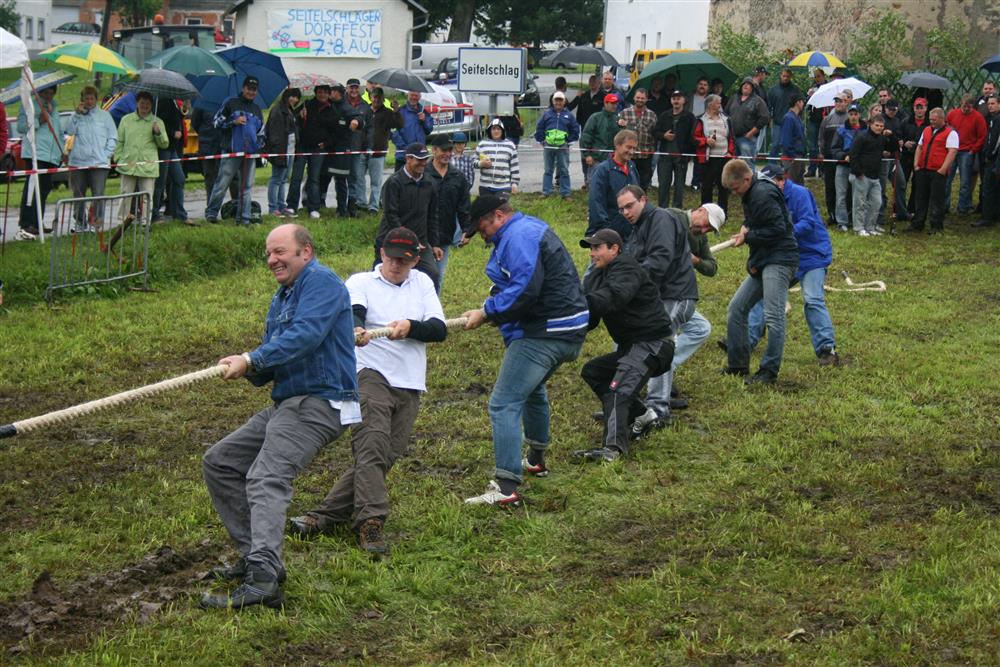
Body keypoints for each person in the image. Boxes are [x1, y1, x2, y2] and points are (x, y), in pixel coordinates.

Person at [200, 224, 359, 610]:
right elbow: (275, 358)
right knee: (221, 461)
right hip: (289, 402)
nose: (272, 260)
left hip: (320, 401)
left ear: (306, 251)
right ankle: (257, 556)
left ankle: (263, 581)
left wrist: (253, 358)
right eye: (269, 254)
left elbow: (305, 336)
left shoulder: (321, 283)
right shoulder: (282, 297)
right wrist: (247, 366)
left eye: (280, 252)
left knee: (266, 476)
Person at [288, 227, 447, 555]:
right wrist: (357, 329)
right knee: (372, 445)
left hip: (410, 381)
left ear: (416, 259)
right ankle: (370, 523)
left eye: (404, 260)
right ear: (382, 253)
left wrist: (411, 327)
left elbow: (439, 329)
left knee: (384, 455)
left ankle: (324, 516)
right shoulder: (360, 282)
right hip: (368, 373)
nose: (396, 265)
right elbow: (353, 314)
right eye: (391, 257)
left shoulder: (423, 283)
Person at [461, 195, 588, 506]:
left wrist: (488, 311)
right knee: (532, 389)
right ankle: (536, 460)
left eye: (482, 229)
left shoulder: (518, 236)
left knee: (503, 403)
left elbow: (525, 289)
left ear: (497, 216)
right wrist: (493, 308)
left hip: (547, 331)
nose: (483, 237)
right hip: (568, 329)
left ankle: (505, 489)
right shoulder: (528, 228)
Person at [574, 228, 674, 462]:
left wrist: (581, 301)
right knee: (593, 372)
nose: (592, 253)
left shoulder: (627, 268)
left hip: (652, 343)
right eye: (590, 248)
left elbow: (615, 296)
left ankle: (613, 450)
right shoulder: (596, 276)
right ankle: (641, 415)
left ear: (615, 249)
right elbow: (590, 317)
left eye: (597, 247)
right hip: (631, 347)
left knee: (619, 391)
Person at [614, 184, 699, 433]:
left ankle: (658, 409)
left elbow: (660, 259)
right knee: (636, 342)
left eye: (629, 206)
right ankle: (628, 402)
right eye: (621, 209)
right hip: (659, 296)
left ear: (643, 200)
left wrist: (631, 283)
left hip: (676, 294)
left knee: (658, 344)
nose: (626, 212)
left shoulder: (660, 218)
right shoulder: (639, 226)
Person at [720, 159, 799, 385]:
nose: (735, 193)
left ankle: (768, 371)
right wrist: (746, 228)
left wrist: (749, 236)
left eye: (736, 188)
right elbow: (757, 220)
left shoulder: (763, 193)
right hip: (764, 259)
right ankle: (738, 365)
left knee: (773, 317)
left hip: (780, 259)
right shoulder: (751, 193)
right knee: (736, 308)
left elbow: (778, 229)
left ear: (747, 179)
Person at [751, 165, 838, 366]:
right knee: (762, 293)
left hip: (813, 255)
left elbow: (808, 222)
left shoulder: (800, 194)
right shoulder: (767, 199)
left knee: (813, 299)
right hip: (787, 255)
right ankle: (746, 339)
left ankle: (827, 349)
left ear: (781, 180)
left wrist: (782, 234)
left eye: (769, 183)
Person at [374, 142, 441, 290]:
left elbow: (433, 216)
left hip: (421, 244)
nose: (423, 163)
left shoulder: (430, 183)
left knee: (433, 274)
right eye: (419, 159)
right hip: (392, 241)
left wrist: (435, 244)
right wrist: (409, 240)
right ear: (408, 159)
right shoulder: (393, 182)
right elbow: (391, 215)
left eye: (425, 159)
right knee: (387, 279)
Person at [204, 76, 264, 226]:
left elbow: (262, 132)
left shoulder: (257, 109)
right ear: (243, 88)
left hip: (250, 154)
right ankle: (211, 213)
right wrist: (233, 121)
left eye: (254, 90)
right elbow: (216, 123)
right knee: (222, 184)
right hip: (231, 151)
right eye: (249, 89)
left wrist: (258, 146)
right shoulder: (230, 103)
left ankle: (244, 218)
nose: (251, 92)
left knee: (247, 187)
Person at [65, 85, 117, 233]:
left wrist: (106, 154)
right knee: (78, 194)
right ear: (82, 99)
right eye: (86, 98)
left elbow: (113, 137)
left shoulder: (105, 116)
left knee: (98, 194)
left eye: (92, 98)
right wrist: (77, 115)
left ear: (96, 99)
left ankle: (96, 223)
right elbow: (69, 132)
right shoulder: (75, 116)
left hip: (99, 163)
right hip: (78, 162)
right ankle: (80, 223)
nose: (89, 101)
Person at [113, 91, 168, 225]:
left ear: (151, 105)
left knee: (147, 196)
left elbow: (164, 144)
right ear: (137, 103)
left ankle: (145, 223)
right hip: (128, 163)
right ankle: (122, 222)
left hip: (148, 164)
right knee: (125, 194)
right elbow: (119, 141)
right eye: (142, 103)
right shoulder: (126, 120)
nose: (145, 106)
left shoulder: (158, 122)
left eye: (148, 103)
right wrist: (118, 158)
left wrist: (158, 133)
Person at [16, 85, 63, 239]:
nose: (48, 96)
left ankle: (37, 222)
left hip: (51, 156)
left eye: (51, 93)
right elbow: (21, 127)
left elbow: (58, 131)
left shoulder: (54, 107)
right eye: (45, 93)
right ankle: (26, 223)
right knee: (32, 189)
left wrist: (62, 151)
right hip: (35, 153)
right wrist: (38, 120)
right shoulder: (28, 105)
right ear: (39, 92)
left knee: (44, 189)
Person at [427, 134, 471, 291]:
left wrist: (467, 230)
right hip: (423, 235)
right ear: (434, 150)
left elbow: (464, 206)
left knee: (437, 276)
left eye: (449, 150)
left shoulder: (458, 177)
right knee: (420, 275)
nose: (447, 154)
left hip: (445, 234)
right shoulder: (423, 173)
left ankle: (434, 306)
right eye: (443, 150)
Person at [906, 108, 958, 235]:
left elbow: (952, 152)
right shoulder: (927, 130)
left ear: (942, 119)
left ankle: (936, 226)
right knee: (920, 197)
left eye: (934, 120)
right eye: (930, 120)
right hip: (923, 169)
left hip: (937, 171)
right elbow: (919, 147)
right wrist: (916, 165)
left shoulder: (951, 133)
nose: (932, 122)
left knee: (937, 199)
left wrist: (943, 169)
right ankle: (917, 223)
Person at [288, 84, 336, 219]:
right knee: (296, 177)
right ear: (316, 93)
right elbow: (292, 119)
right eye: (320, 92)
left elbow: (335, 132)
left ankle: (313, 207)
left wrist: (326, 143)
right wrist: (300, 116)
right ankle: (291, 206)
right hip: (302, 147)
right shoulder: (306, 104)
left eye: (325, 92)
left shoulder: (332, 109)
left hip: (318, 149)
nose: (322, 95)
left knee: (314, 179)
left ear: (328, 94)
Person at [586, 129, 639, 238]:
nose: (632, 152)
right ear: (617, 145)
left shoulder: (632, 168)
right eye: (628, 147)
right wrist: (606, 232)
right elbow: (596, 203)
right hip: (610, 232)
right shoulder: (603, 170)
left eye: (634, 148)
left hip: (630, 233)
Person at [693, 94, 735, 215]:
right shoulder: (701, 119)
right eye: (718, 103)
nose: (720, 105)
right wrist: (706, 141)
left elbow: (731, 138)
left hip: (724, 158)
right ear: (710, 104)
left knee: (723, 187)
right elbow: (694, 137)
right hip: (707, 159)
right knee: (707, 187)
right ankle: (706, 213)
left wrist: (730, 152)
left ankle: (722, 214)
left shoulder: (726, 119)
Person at [945, 95, 987, 214]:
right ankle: (944, 206)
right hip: (952, 149)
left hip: (967, 151)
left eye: (969, 107)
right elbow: (946, 127)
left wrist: (973, 150)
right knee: (947, 178)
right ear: (961, 103)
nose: (966, 109)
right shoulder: (952, 114)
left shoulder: (978, 117)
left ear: (973, 106)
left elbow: (982, 136)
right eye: (964, 106)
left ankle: (963, 207)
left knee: (965, 181)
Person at [534, 90, 580, 199]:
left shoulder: (569, 115)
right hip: (548, 146)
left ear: (564, 102)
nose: (558, 103)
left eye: (560, 100)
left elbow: (575, 130)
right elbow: (539, 128)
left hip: (563, 147)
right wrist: (542, 141)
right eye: (556, 100)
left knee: (564, 169)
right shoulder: (546, 114)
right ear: (553, 101)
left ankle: (566, 193)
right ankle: (546, 191)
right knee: (548, 170)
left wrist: (568, 141)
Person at [654, 89, 695, 208]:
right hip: (665, 156)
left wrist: (688, 153)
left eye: (678, 98)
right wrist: (664, 135)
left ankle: (677, 209)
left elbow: (693, 136)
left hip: (681, 157)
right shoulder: (664, 115)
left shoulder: (689, 117)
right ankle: (662, 209)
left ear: (684, 100)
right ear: (671, 100)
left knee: (679, 186)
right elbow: (655, 132)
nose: (676, 101)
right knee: (663, 184)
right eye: (674, 98)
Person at [191, 104, 239, 206]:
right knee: (210, 177)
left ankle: (237, 205)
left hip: (227, 144)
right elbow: (195, 123)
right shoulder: (202, 104)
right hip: (208, 145)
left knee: (234, 176)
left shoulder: (231, 103)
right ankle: (211, 207)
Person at [264, 88, 301, 218]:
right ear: (286, 96)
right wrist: (277, 152)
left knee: (284, 179)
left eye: (297, 97)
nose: (294, 99)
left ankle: (281, 206)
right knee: (276, 179)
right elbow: (274, 133)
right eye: (292, 96)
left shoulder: (290, 110)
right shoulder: (277, 110)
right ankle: (273, 208)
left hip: (290, 150)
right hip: (280, 151)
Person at [366, 88, 403, 213]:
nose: (377, 99)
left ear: (383, 99)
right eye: (375, 97)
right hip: (362, 151)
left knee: (376, 182)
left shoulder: (388, 113)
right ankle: (360, 203)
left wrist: (396, 111)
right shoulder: (365, 110)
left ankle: (373, 206)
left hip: (378, 152)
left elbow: (399, 124)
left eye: (379, 97)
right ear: (371, 97)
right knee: (358, 179)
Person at [848, 113, 885, 236]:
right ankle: (858, 228)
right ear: (870, 124)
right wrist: (858, 172)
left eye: (881, 126)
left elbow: (893, 147)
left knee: (877, 202)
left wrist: (892, 136)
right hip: (861, 176)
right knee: (860, 203)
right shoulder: (861, 137)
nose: (879, 128)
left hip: (875, 177)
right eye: (877, 125)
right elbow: (853, 155)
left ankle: (870, 227)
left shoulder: (881, 139)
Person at [152, 98, 188, 225]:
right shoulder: (164, 101)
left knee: (179, 179)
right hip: (164, 147)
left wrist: (183, 110)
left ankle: (179, 214)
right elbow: (159, 122)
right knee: (160, 182)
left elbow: (175, 119)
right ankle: (154, 214)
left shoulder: (173, 102)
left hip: (171, 148)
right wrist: (173, 133)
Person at [830, 104, 865, 231]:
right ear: (848, 115)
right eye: (851, 114)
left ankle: (857, 221)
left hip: (859, 166)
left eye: (855, 114)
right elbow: (834, 149)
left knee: (859, 195)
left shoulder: (865, 130)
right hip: (843, 165)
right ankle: (842, 222)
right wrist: (843, 156)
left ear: (859, 115)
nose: (853, 117)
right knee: (841, 194)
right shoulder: (841, 130)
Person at [818, 93, 851, 225]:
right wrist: (821, 152)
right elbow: (821, 137)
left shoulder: (850, 118)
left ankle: (846, 214)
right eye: (836, 101)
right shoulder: (827, 119)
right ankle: (832, 214)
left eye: (841, 101)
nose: (839, 104)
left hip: (845, 159)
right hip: (829, 158)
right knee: (830, 187)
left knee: (846, 188)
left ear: (847, 102)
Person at [620, 88, 659, 190]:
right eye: (638, 97)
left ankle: (642, 199)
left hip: (645, 155)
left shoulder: (652, 115)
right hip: (628, 155)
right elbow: (619, 132)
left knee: (644, 184)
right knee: (627, 183)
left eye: (642, 98)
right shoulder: (624, 113)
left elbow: (655, 134)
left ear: (646, 99)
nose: (640, 100)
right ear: (634, 98)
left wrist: (653, 150)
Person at [344, 78, 372, 217]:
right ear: (347, 88)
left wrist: (367, 146)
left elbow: (369, 128)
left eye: (356, 88)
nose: (354, 90)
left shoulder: (365, 106)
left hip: (357, 147)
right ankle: (341, 205)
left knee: (354, 177)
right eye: (351, 88)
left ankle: (352, 205)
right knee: (340, 178)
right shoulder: (342, 103)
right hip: (342, 147)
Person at [727, 77, 771, 168]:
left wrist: (752, 132)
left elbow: (765, 117)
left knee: (748, 166)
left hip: (747, 138)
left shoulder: (758, 101)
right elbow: (725, 113)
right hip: (732, 137)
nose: (746, 85)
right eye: (744, 84)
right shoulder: (734, 98)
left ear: (752, 88)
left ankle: (751, 178)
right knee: (733, 166)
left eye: (749, 84)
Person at [899, 97, 929, 217]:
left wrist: (917, 145)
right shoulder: (905, 122)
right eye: (917, 107)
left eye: (921, 107)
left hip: (921, 157)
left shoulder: (929, 123)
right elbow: (899, 136)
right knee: (901, 182)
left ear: (926, 108)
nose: (919, 110)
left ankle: (912, 208)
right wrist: (904, 143)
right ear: (914, 108)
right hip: (906, 156)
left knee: (917, 183)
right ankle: (899, 208)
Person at [973, 95, 1000, 228]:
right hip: (990, 157)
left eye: (993, 104)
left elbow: (996, 140)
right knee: (990, 187)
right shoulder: (991, 119)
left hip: (994, 159)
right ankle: (992, 214)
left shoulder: (998, 119)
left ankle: (988, 217)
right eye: (989, 104)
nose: (990, 106)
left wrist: (989, 154)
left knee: (989, 188)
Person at [390, 91, 434, 171]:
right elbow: (393, 133)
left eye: (416, 95)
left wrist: (424, 120)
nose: (414, 97)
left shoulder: (424, 112)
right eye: (412, 95)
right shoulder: (400, 111)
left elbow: (429, 130)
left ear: (420, 97)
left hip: (420, 157)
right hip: (403, 157)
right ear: (407, 95)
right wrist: (406, 149)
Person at [574, 75, 604, 187]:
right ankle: (586, 179)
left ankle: (596, 180)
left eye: (594, 82)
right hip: (585, 130)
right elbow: (579, 114)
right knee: (585, 155)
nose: (592, 84)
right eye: (590, 82)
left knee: (597, 156)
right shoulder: (584, 96)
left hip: (598, 132)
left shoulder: (603, 96)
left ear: (599, 84)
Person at [477, 118, 520, 195]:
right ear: (490, 130)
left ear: (502, 131)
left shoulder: (510, 145)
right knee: (486, 203)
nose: (496, 131)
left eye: (498, 129)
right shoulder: (482, 144)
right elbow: (473, 161)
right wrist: (481, 163)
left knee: (501, 203)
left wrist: (514, 183)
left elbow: (514, 166)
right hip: (485, 186)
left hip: (504, 186)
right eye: (493, 129)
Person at [767, 68, 803, 160]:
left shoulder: (796, 90)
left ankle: (787, 165)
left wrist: (799, 117)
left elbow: (801, 103)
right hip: (778, 122)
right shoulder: (773, 90)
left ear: (790, 77)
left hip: (792, 123)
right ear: (780, 76)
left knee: (789, 145)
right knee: (775, 145)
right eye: (784, 76)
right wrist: (769, 120)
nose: (785, 78)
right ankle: (772, 165)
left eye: (787, 76)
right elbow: (768, 106)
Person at [581, 93, 622, 172]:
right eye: (612, 103)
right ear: (605, 103)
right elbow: (586, 137)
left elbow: (621, 139)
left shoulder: (617, 119)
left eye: (616, 103)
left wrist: (623, 127)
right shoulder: (595, 117)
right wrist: (587, 155)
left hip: (613, 160)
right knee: (594, 179)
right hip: (596, 159)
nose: (614, 106)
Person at [805, 68, 829, 178]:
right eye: (815, 77)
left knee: (823, 145)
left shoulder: (828, 87)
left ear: (823, 76)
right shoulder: (812, 87)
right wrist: (809, 96)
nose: (817, 79)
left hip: (824, 119)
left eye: (819, 76)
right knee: (812, 146)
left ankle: (822, 169)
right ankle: (812, 169)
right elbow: (807, 104)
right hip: (813, 119)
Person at [779, 94, 807, 183]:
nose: (803, 104)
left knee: (799, 186)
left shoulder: (797, 118)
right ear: (798, 102)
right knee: (790, 184)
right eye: (802, 102)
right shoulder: (789, 118)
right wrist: (792, 156)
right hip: (792, 158)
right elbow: (785, 140)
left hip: (799, 157)